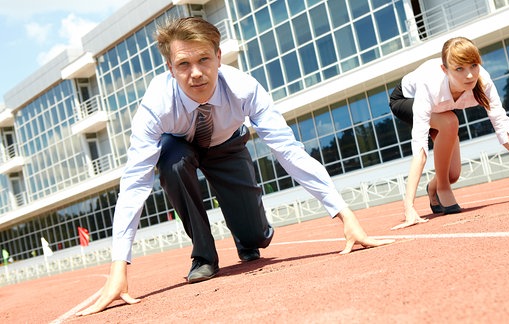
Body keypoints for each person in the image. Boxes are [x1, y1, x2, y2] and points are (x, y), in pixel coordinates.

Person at [77, 17, 393, 316]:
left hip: (227, 145)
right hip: (181, 146)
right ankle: (204, 256)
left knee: (256, 237)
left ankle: (248, 237)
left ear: (218, 56)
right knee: (171, 162)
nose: (196, 73)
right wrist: (119, 267)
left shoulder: (244, 88)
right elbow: (135, 183)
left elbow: (287, 150)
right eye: (184, 64)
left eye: (204, 60)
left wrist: (344, 215)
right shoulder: (156, 105)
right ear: (170, 68)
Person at [389, 36, 509, 230]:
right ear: (445, 70)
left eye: (473, 65)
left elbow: (504, 129)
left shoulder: (482, 81)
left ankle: (434, 188)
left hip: (445, 107)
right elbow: (420, 148)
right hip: (406, 99)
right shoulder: (429, 84)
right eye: (459, 69)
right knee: (450, 122)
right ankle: (442, 189)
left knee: (453, 174)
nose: (469, 76)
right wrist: (409, 208)